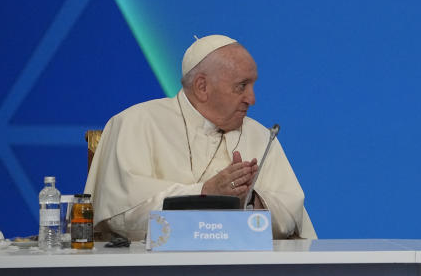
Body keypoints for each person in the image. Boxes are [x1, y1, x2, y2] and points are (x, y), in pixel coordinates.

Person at [85, 35, 316, 241]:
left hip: (244, 272)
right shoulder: (136, 122)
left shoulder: (259, 135)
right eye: (242, 86)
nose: (252, 99)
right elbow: (120, 215)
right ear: (202, 86)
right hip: (154, 274)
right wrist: (206, 193)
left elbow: (291, 211)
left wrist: (252, 201)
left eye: (253, 85)